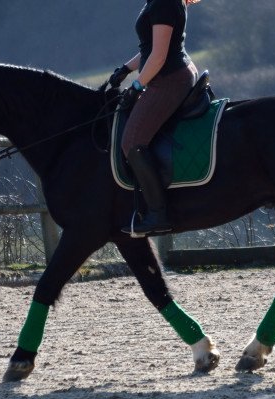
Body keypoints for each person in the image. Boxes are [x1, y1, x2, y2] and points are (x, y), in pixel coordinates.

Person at [108, 0, 201, 236]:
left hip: (169, 79)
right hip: (168, 73)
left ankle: (158, 215)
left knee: (131, 142)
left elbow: (159, 57)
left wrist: (137, 86)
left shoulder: (163, 3)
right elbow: (151, 46)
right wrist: (126, 69)